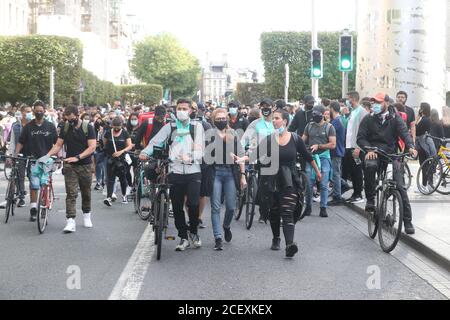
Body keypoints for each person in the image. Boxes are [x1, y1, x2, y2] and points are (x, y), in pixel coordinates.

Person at [235, 109, 320, 258]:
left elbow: (308, 156)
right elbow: (255, 155)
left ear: (285, 121)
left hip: (289, 180)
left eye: (277, 118)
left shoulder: (295, 139)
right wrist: (242, 159)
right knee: (273, 211)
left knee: (287, 211)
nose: (273, 121)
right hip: (270, 179)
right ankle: (276, 238)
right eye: (273, 118)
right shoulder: (268, 139)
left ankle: (289, 245)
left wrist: (318, 172)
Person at [140, 99, 205, 252]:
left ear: (190, 111)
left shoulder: (197, 127)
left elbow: (201, 149)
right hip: (174, 171)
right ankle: (183, 236)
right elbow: (155, 142)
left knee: (193, 204)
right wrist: (145, 152)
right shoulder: (170, 127)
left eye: (184, 108)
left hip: (193, 170)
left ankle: (194, 232)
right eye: (179, 108)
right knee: (176, 206)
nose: (181, 111)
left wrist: (191, 156)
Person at [357, 92, 417, 235]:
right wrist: (369, 149)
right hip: (374, 152)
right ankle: (370, 200)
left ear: (387, 103)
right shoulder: (368, 119)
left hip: (391, 154)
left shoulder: (395, 119)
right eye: (373, 103)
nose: (375, 105)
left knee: (400, 186)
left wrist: (411, 147)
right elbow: (360, 138)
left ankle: (407, 221)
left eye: (378, 102)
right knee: (370, 166)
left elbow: (405, 133)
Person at [44, 105, 97, 233]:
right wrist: (46, 156)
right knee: (71, 193)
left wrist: (78, 157)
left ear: (77, 115)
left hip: (85, 165)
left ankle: (86, 215)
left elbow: (92, 147)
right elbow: (58, 145)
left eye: (71, 118)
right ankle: (70, 221)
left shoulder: (88, 127)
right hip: (70, 165)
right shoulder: (65, 127)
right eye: (67, 119)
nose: (69, 121)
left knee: (86, 192)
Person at [208, 108, 246, 250]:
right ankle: (218, 237)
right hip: (215, 173)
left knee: (231, 207)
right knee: (215, 207)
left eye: (224, 118)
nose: (221, 121)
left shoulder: (233, 133)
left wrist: (243, 176)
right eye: (218, 119)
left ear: (228, 119)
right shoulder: (210, 134)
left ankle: (226, 225)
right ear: (213, 120)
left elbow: (241, 154)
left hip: (230, 172)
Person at [15, 101, 58, 221]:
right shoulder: (28, 127)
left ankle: (44, 205)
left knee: (44, 183)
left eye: (41, 111)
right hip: (33, 159)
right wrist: (17, 154)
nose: (39, 113)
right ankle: (33, 208)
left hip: (47, 160)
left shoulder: (50, 126)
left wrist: (57, 156)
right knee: (34, 184)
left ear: (44, 111)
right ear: (33, 112)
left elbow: (57, 143)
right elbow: (21, 141)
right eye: (37, 111)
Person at [241, 99, 276, 223]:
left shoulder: (276, 123)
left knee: (272, 187)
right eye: (263, 107)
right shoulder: (255, 124)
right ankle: (263, 212)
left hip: (273, 157)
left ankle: (271, 210)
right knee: (262, 185)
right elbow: (244, 140)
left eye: (268, 107)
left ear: (273, 108)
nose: (266, 109)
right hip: (256, 157)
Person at [302, 105, 336, 218]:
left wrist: (319, 146)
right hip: (310, 157)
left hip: (324, 157)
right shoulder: (309, 126)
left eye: (317, 114)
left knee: (323, 183)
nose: (315, 116)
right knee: (309, 183)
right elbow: (303, 140)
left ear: (323, 114)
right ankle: (308, 207)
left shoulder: (329, 127)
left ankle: (323, 207)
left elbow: (333, 144)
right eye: (313, 114)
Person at [343, 91, 368, 204]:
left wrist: (358, 147)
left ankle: (359, 194)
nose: (346, 102)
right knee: (352, 171)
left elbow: (363, 131)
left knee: (357, 170)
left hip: (356, 147)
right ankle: (355, 193)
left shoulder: (362, 112)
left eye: (348, 99)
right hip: (349, 146)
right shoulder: (352, 112)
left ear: (353, 99)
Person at [7, 104, 33, 208]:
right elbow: (13, 141)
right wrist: (10, 154)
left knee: (32, 175)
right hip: (19, 153)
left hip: (32, 153)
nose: (29, 113)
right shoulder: (15, 125)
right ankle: (21, 196)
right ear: (22, 112)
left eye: (30, 111)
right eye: (27, 111)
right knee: (20, 175)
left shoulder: (33, 125)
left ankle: (34, 199)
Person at [103, 117, 133, 206]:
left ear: (121, 125)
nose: (116, 129)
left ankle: (124, 195)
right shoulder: (108, 133)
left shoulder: (125, 133)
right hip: (111, 159)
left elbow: (130, 146)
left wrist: (121, 151)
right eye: (114, 127)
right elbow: (105, 144)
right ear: (112, 125)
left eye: (118, 127)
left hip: (122, 159)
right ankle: (108, 197)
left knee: (122, 178)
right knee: (110, 179)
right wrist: (110, 153)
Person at [328, 101, 346, 206]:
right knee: (335, 173)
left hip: (336, 151)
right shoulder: (340, 120)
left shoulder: (336, 122)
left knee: (335, 174)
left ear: (332, 109)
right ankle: (342, 186)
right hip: (338, 150)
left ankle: (337, 196)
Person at [415, 103, 436, 192]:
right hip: (427, 145)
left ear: (422, 109)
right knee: (427, 165)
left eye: (420, 108)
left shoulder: (423, 120)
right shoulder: (428, 119)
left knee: (424, 165)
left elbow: (416, 131)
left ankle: (424, 186)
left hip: (422, 146)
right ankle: (429, 185)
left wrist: (416, 119)